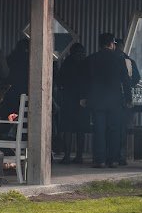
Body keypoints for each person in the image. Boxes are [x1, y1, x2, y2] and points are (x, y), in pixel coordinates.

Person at [85, 32, 133, 169]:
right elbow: (126, 80)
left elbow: (86, 80)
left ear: (100, 44)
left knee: (99, 129)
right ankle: (113, 160)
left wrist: (85, 97)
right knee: (114, 130)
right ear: (112, 43)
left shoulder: (92, 59)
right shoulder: (119, 58)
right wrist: (129, 98)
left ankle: (99, 160)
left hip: (97, 99)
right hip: (115, 100)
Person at [57, 43, 89, 164]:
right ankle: (79, 155)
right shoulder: (86, 63)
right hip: (82, 100)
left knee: (68, 129)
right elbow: (89, 81)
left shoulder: (67, 63)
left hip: (68, 99)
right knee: (80, 129)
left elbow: (59, 80)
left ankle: (67, 156)